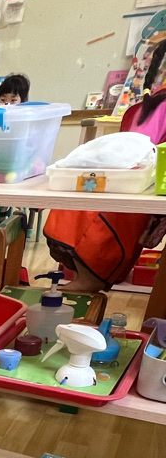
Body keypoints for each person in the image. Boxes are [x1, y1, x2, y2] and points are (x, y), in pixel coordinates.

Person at [44, 40, 166, 292]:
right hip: (131, 187)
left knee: (96, 214)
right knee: (91, 211)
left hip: (134, 189)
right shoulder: (154, 106)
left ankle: (91, 275)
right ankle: (91, 274)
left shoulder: (151, 105)